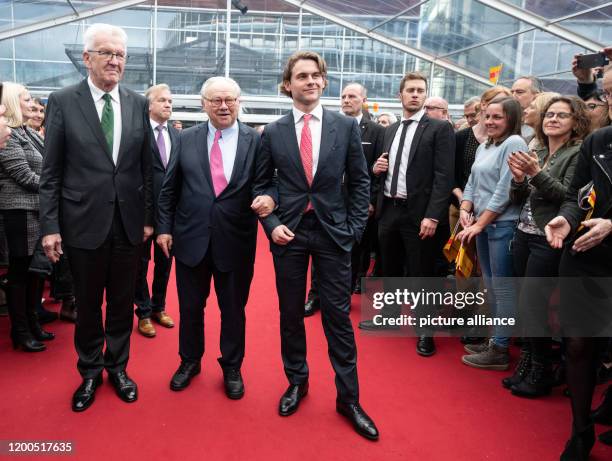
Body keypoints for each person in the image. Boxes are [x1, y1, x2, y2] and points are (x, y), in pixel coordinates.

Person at [252, 50, 378, 440]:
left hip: (333, 234)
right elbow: (262, 186)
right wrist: (271, 223)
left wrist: (354, 230)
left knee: (337, 319)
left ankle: (349, 398)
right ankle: (297, 381)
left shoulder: (344, 126)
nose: (309, 81)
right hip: (288, 233)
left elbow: (359, 183)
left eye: (315, 75)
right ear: (287, 84)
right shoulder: (272, 132)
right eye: (301, 76)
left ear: (324, 81)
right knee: (291, 314)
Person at [39, 23, 153, 412]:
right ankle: (89, 371)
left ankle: (118, 367)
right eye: (107, 53)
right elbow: (51, 171)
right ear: (87, 58)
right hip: (81, 223)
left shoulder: (138, 103)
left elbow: (148, 169)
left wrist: (150, 219)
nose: (115, 61)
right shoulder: (63, 100)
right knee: (88, 303)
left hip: (128, 223)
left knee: (121, 302)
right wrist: (50, 226)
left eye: (120, 54)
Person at [157, 77, 262, 399]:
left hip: (236, 240)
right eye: (215, 100)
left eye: (229, 99)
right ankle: (189, 361)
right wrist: (164, 227)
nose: (223, 106)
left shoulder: (255, 141)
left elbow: (265, 184)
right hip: (190, 239)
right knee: (190, 307)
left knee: (233, 310)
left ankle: (232, 366)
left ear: (239, 102)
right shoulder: (185, 138)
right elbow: (169, 189)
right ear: (203, 104)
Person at [361, 72, 455, 358]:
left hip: (420, 214)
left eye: (420, 90)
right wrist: (378, 169)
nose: (415, 94)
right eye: (410, 90)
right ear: (399, 95)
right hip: (389, 208)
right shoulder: (389, 130)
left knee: (421, 272)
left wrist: (434, 216)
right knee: (389, 268)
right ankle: (389, 316)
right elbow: (391, 166)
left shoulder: (439, 129)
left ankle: (424, 330)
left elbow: (444, 176)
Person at [505, 96, 590, 398]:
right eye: (549, 114)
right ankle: (527, 364)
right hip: (524, 232)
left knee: (534, 304)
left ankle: (540, 371)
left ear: (575, 122)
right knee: (523, 302)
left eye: (562, 115)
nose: (552, 119)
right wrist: (518, 180)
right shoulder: (537, 149)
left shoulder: (579, 152)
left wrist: (535, 174)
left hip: (549, 237)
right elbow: (518, 199)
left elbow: (570, 196)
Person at [546, 121, 612, 460]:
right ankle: (580, 430)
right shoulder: (599, 140)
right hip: (586, 252)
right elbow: (575, 193)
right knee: (578, 343)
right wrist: (568, 219)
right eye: (610, 93)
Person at [458, 96, 527, 370]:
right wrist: (465, 206)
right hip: (484, 226)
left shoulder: (514, 143)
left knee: (504, 288)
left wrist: (479, 223)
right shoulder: (486, 145)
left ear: (511, 118)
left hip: (502, 226)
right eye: (487, 116)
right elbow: (472, 182)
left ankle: (500, 348)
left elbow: (504, 191)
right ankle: (493, 341)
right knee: (491, 285)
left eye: (496, 117)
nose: (489, 122)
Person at [0, 82, 53, 352]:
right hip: (18, 212)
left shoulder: (25, 132)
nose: (32, 104)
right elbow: (23, 175)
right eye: (26, 99)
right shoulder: (7, 134)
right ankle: (19, 332)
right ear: (11, 102)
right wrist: (55, 187)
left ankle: (32, 324)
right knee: (19, 273)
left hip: (35, 210)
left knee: (33, 273)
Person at [134, 84, 177, 338]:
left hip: (169, 214)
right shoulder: (137, 134)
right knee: (140, 265)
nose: (168, 105)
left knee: (165, 263)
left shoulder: (177, 135)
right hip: (141, 214)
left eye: (170, 101)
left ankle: (159, 307)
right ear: (149, 105)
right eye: (162, 100)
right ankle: (143, 312)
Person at [340, 82, 385, 292]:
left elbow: (380, 168)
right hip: (334, 198)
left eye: (352, 97)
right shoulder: (333, 125)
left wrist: (371, 200)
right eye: (344, 97)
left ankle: (358, 278)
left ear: (364, 101)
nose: (347, 100)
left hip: (361, 199)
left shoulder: (376, 131)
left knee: (360, 245)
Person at [511, 75, 543, 142]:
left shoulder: (545, 124)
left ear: (537, 95)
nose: (513, 96)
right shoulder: (506, 120)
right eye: (512, 92)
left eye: (519, 92)